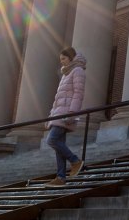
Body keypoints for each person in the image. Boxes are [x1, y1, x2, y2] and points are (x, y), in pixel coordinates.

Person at [44, 46, 86, 185]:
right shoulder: (66, 74)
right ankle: (61, 177)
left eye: (63, 58)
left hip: (66, 114)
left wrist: (72, 113)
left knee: (52, 140)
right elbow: (57, 99)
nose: (61, 61)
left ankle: (75, 161)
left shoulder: (77, 71)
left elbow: (78, 94)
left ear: (71, 58)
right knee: (58, 145)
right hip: (58, 114)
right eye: (60, 59)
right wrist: (50, 117)